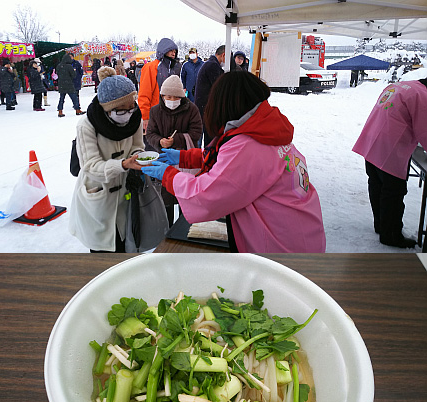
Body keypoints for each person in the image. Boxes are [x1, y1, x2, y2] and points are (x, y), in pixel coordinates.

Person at [138, 71, 326, 253]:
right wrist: (184, 157)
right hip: (301, 235)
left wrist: (168, 175)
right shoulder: (266, 129)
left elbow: (205, 196)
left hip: (281, 248)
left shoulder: (248, 146)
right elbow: (226, 159)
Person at [68, 67, 149, 253]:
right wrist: (121, 165)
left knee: (128, 246)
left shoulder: (134, 116)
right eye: (121, 111)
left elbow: (138, 146)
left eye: (131, 107)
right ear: (108, 108)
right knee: (103, 254)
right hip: (99, 194)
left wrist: (138, 158)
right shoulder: (86, 125)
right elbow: (90, 165)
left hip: (126, 193)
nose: (128, 113)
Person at [352, 77, 427, 248]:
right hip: (391, 146)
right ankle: (391, 234)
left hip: (372, 140)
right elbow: (425, 129)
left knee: (376, 183)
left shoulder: (401, 85)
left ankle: (380, 224)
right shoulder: (422, 96)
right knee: (393, 191)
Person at [146, 75, 203, 225]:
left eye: (175, 97)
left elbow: (197, 132)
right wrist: (159, 142)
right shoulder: (155, 111)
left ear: (181, 96)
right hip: (165, 160)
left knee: (187, 197)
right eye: (168, 97)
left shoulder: (192, 109)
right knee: (167, 198)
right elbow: (150, 133)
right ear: (162, 96)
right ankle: (168, 229)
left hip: (186, 160)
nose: (171, 100)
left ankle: (186, 227)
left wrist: (176, 140)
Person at [138, 38, 183, 133]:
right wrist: (145, 116)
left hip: (171, 115)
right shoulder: (151, 67)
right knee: (153, 146)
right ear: (163, 50)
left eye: (175, 51)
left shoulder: (174, 68)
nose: (173, 53)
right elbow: (144, 93)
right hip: (155, 114)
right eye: (171, 50)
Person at [194, 45, 226, 145]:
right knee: (210, 140)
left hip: (204, 107)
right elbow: (220, 87)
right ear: (223, 55)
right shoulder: (213, 66)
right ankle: (207, 158)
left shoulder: (209, 64)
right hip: (206, 108)